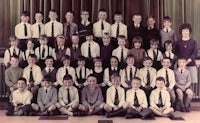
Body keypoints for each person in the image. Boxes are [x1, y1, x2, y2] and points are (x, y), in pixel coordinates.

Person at [175, 23, 198, 88]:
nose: (185, 32)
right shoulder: (178, 42)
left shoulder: (193, 42)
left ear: (189, 32)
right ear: (181, 32)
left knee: (192, 82)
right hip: (180, 65)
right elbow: (176, 53)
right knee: (181, 82)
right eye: (184, 31)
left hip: (191, 64)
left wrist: (187, 61)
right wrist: (181, 63)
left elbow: (194, 53)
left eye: (187, 30)